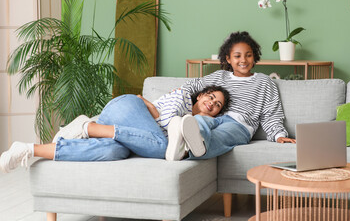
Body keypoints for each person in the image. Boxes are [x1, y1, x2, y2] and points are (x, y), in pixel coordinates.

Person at [0, 85, 230, 173]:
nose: (212, 103)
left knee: (113, 152)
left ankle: (29, 149)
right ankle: (87, 126)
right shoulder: (182, 99)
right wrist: (173, 129)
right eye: (210, 97)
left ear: (217, 113)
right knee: (162, 146)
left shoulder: (199, 124)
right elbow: (158, 114)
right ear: (200, 95)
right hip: (127, 107)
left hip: (126, 126)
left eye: (217, 105)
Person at [177, 31, 296, 160]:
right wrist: (179, 92)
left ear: (254, 56)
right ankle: (186, 144)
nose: (243, 60)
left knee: (221, 135)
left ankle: (193, 150)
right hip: (214, 118)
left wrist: (278, 135)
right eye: (237, 56)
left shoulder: (264, 82)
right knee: (198, 120)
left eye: (248, 55)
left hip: (239, 125)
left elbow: (271, 114)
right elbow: (195, 84)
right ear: (228, 58)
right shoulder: (219, 76)